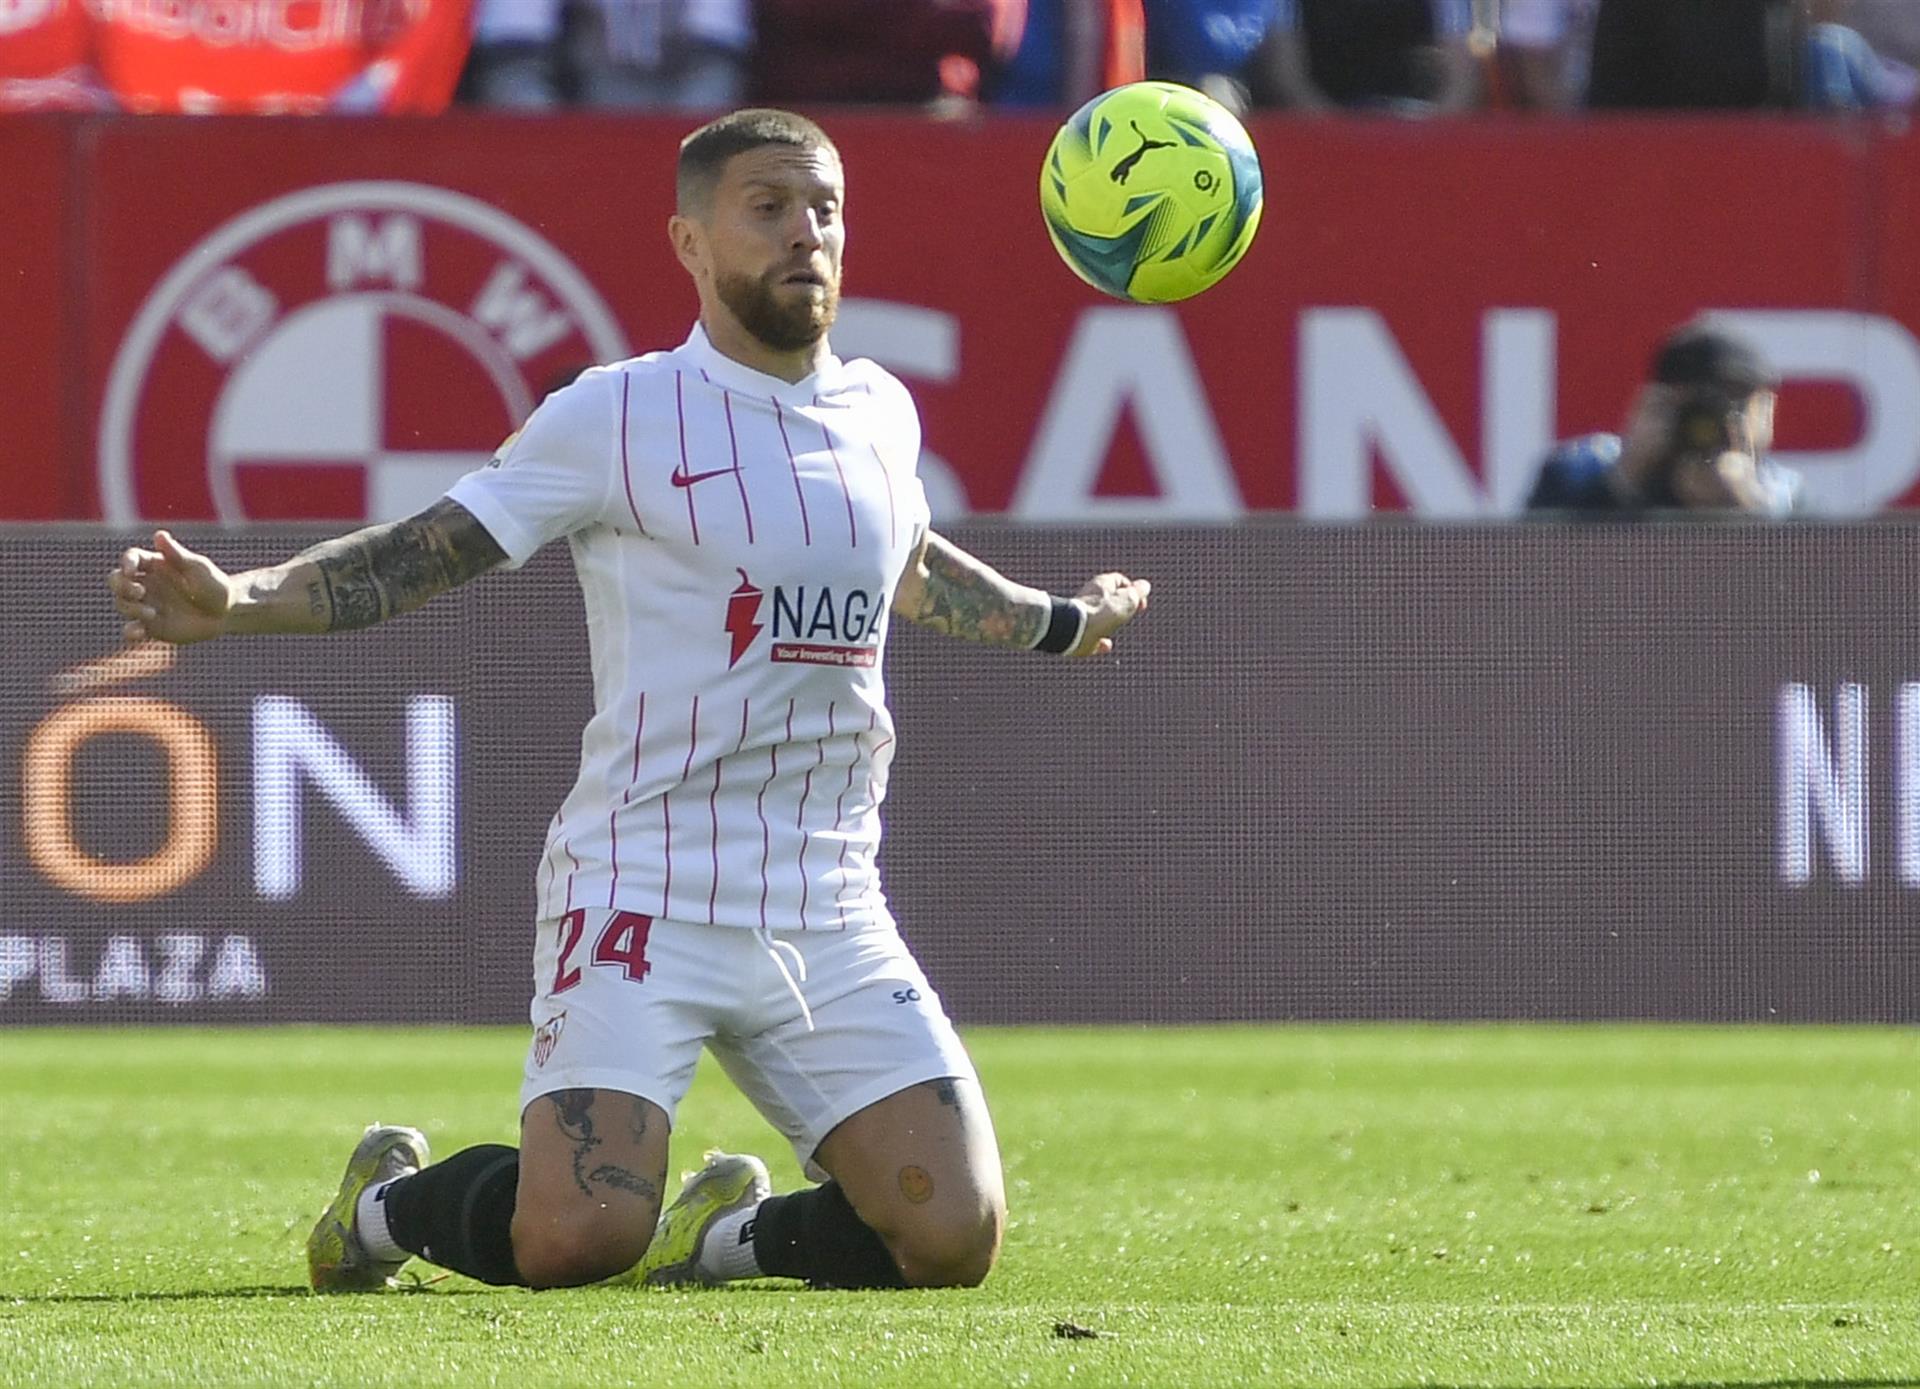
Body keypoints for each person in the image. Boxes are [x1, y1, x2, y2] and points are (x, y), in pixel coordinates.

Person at [107, 108, 1151, 1294]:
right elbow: (430, 549)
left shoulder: (879, 413)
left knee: (952, 1237)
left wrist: (1058, 624)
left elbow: (907, 565)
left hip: (825, 897)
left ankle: (721, 1239)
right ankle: (386, 1209)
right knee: (575, 1241)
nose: (806, 234)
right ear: (691, 243)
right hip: (643, 885)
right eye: (768, 208)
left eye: (825, 209)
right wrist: (238, 601)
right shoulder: (618, 413)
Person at [1527, 322, 1798, 516]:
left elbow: (1815, 586)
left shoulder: (1786, 498)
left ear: (1766, 414)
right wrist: (1623, 484)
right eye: (1693, 407)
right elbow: (1530, 571)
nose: (1709, 423)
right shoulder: (1576, 475)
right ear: (1650, 406)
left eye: (1732, 407)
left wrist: (1749, 511)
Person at [1252, 0, 1477, 115]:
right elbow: (1286, 75)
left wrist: (1428, 135)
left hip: (1417, 124)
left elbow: (1461, 76)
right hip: (1326, 130)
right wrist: (1339, 135)